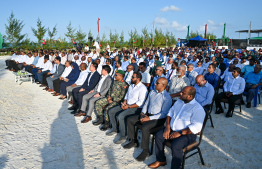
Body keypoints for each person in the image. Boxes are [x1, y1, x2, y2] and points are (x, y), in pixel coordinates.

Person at [148, 86, 205, 169]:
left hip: (187, 134)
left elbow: (196, 127)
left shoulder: (197, 109)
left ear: (190, 96)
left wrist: (179, 133)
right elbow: (170, 113)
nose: (180, 94)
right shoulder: (179, 101)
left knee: (176, 145)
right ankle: (161, 160)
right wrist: (167, 127)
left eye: (183, 93)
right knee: (159, 136)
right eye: (181, 92)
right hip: (172, 129)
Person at [123, 77, 172, 161]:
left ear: (163, 85)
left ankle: (146, 150)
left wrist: (149, 118)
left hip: (158, 119)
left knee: (145, 127)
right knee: (130, 119)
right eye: (156, 82)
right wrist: (142, 113)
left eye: (157, 83)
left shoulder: (167, 98)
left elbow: (163, 114)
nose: (155, 84)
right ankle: (134, 140)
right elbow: (146, 104)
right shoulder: (152, 92)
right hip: (147, 115)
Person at [107, 72, 148, 144]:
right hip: (127, 105)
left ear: (138, 79)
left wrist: (128, 106)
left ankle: (123, 135)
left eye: (133, 77)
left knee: (121, 116)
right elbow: (127, 96)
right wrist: (124, 102)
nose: (131, 78)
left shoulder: (143, 88)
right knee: (111, 111)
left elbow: (140, 103)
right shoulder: (131, 86)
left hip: (136, 108)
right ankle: (115, 129)